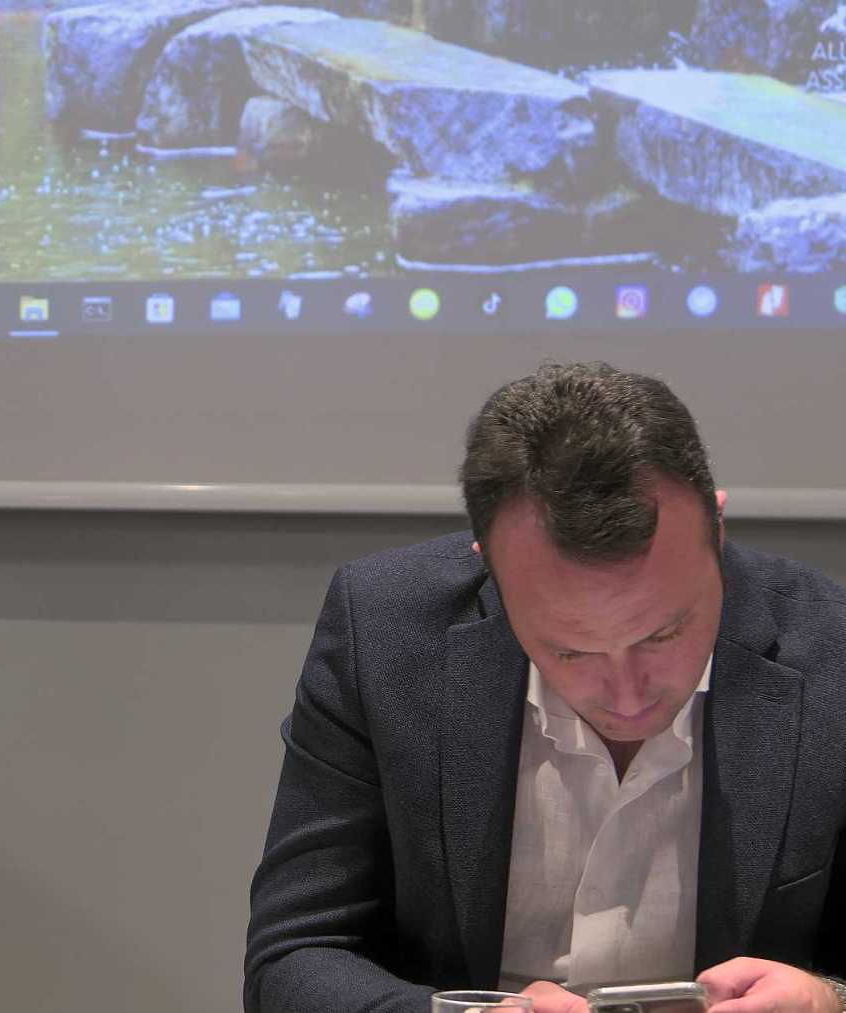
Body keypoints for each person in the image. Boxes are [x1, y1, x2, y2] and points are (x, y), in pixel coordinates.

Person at [244, 362, 846, 1013]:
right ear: (490, 567)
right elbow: (293, 957)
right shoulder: (385, 633)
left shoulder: (833, 651)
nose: (627, 696)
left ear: (717, 530)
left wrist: (828, 1000)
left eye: (664, 633)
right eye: (570, 649)